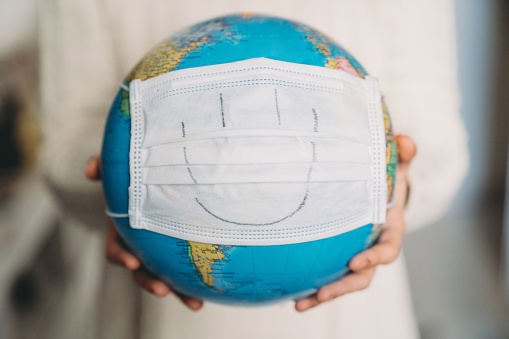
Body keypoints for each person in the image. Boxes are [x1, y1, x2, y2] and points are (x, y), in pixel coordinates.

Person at [40, 0, 468, 338]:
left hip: (346, 297)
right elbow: (62, 147)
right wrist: (109, 180)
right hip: (151, 298)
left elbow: (441, 146)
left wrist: (401, 187)